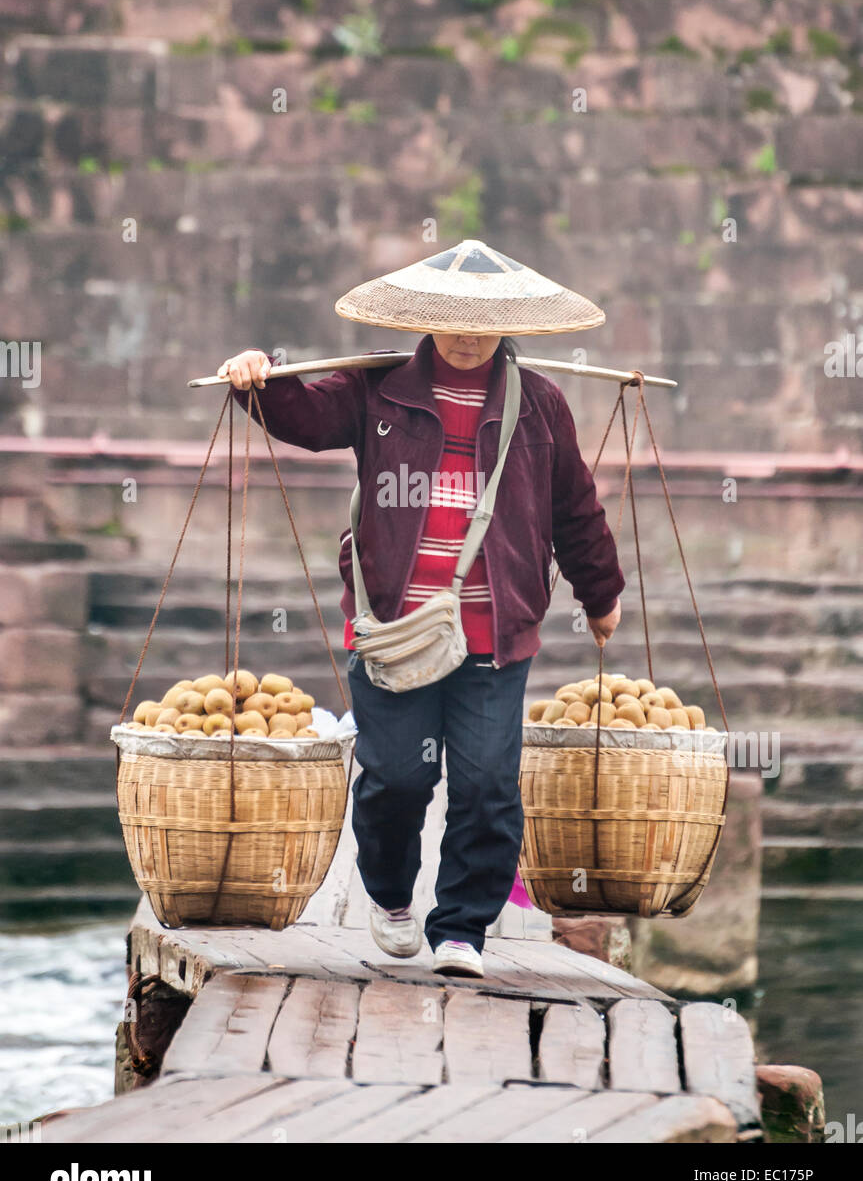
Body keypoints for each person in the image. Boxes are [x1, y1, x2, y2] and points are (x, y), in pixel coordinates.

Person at [218, 328, 623, 979]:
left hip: (495, 630)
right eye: (452, 325)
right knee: (396, 779)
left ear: (503, 325)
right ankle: (389, 892)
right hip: (393, 629)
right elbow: (308, 419)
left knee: (487, 785)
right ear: (427, 320)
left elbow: (573, 507)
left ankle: (462, 927)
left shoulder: (539, 403)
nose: (466, 340)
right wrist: (264, 374)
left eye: (479, 327)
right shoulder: (379, 388)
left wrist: (599, 593)